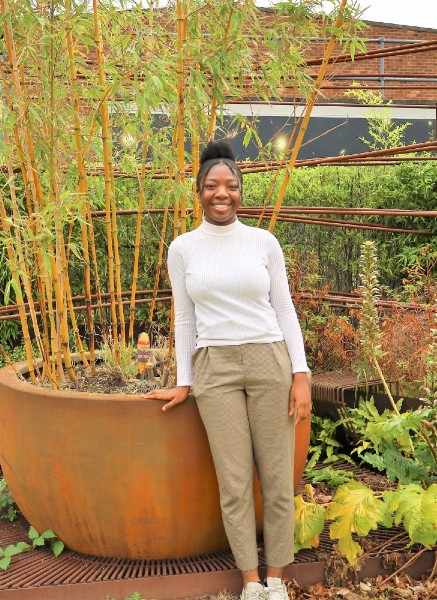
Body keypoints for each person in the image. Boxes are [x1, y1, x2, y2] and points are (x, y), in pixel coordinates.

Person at [144, 140, 311, 600]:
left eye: (231, 186)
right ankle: (251, 583)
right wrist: (184, 380)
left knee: (277, 479)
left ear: (241, 191)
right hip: (214, 367)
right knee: (234, 482)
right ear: (197, 191)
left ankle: (276, 578)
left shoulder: (263, 242)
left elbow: (285, 308)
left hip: (269, 361)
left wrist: (301, 374)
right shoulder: (183, 249)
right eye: (213, 186)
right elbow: (185, 318)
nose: (223, 194)